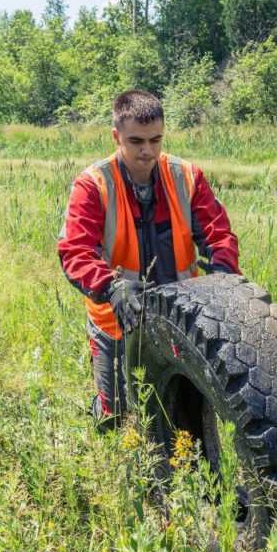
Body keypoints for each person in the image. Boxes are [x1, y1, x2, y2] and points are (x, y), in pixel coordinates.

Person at [58, 90, 240, 428]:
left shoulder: (186, 177)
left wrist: (222, 275)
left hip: (181, 322)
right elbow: (74, 252)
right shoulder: (93, 184)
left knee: (186, 419)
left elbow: (219, 235)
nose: (148, 151)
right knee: (116, 420)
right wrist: (111, 287)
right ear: (116, 137)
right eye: (136, 141)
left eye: (156, 140)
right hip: (116, 322)